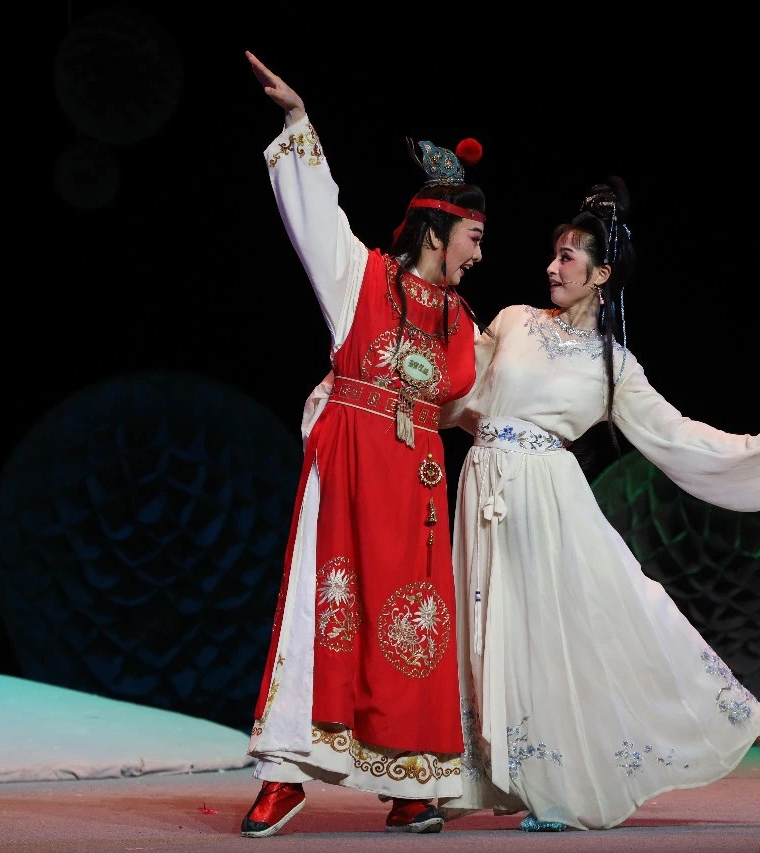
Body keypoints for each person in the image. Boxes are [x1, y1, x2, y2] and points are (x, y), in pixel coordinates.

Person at [438, 176, 760, 831]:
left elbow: (679, 437)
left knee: (605, 618)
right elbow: (458, 393)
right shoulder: (513, 321)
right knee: (491, 630)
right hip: (485, 487)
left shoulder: (614, 366)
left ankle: (584, 781)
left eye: (567, 256)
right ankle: (468, 777)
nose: (552, 267)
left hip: (549, 498)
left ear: (600, 274)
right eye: (554, 255)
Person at [238, 51, 488, 838]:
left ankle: (413, 783)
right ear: (437, 230)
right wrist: (298, 120)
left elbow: (488, 403)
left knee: (415, 629)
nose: (479, 253)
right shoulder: (362, 277)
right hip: (349, 469)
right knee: (325, 612)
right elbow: (317, 216)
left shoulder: (464, 323)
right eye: (473, 236)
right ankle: (285, 772)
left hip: (417, 487)